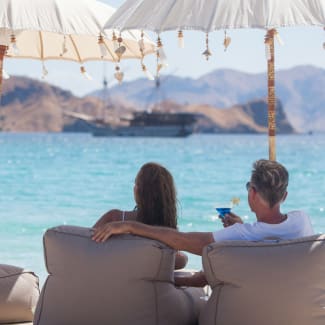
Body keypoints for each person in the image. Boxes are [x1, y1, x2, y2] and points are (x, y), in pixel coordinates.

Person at [92, 159, 314, 286]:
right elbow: (269, 236)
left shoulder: (240, 235)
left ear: (252, 193)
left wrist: (130, 226)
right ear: (284, 197)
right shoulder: (302, 221)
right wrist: (244, 226)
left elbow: (181, 240)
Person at [93, 162, 188, 270]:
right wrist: (183, 259)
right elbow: (179, 262)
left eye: (136, 184)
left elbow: (85, 246)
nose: (134, 188)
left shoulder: (114, 218)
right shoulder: (171, 235)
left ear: (140, 191)